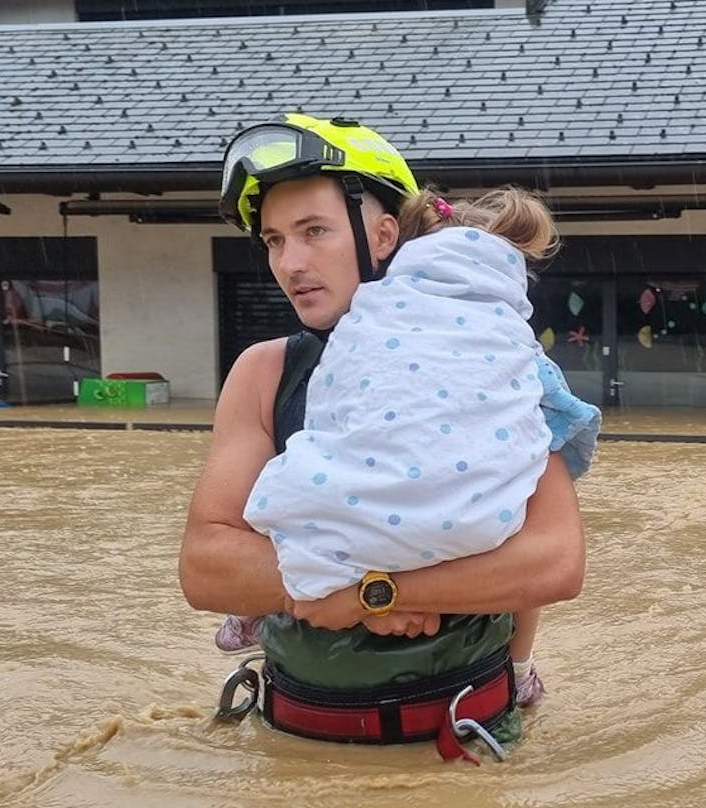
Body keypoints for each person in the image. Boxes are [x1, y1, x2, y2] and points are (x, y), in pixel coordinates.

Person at [180, 113, 585, 759]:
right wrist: (364, 592)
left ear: (383, 234)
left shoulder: (498, 360)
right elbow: (206, 569)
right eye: (274, 241)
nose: (292, 263)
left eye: (315, 232)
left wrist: (372, 592)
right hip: (293, 740)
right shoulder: (265, 372)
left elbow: (555, 562)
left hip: (463, 744)